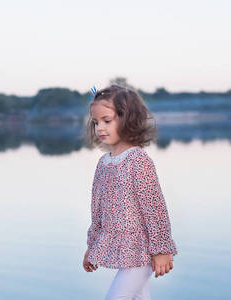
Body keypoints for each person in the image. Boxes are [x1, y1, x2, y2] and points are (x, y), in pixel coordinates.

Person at [82, 84, 178, 300]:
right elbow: (97, 210)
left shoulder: (137, 161)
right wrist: (93, 246)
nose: (100, 128)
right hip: (124, 250)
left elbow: (154, 209)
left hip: (142, 250)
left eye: (107, 121)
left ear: (127, 119)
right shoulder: (104, 163)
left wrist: (162, 249)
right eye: (96, 122)